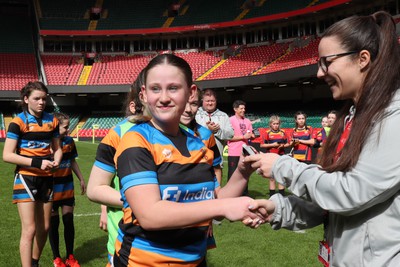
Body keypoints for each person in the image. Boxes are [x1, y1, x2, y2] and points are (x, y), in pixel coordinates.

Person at [245, 11, 400, 267]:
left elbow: (350, 193)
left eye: (326, 62)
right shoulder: (352, 116)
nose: (319, 73)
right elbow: (331, 203)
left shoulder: (393, 118)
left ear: (363, 59)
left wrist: (283, 166)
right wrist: (278, 210)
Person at [113, 54, 260, 266]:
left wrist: (242, 172)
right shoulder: (135, 141)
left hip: (195, 261)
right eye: (155, 88)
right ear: (143, 95)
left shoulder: (198, 142)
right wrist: (223, 207)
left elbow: (215, 200)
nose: (164, 97)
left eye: (173, 88)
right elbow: (151, 215)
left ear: (190, 93)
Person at [86, 72, 144, 266]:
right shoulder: (118, 133)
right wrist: (142, 203)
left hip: (174, 245)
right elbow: (99, 186)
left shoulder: (184, 132)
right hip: (124, 237)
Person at [2, 81, 62, 267]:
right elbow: (7, 155)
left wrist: (56, 162)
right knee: (29, 229)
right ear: (26, 99)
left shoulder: (52, 120)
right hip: (25, 178)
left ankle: (34, 262)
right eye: (37, 98)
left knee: (44, 227)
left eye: (44, 99)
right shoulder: (18, 122)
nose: (41, 102)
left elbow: (57, 149)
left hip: (47, 178)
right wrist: (38, 163)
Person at [49, 113, 86, 267]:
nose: (68, 129)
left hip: (67, 186)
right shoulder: (47, 142)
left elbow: (72, 161)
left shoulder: (69, 141)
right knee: (53, 223)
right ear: (56, 127)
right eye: (65, 126)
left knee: (68, 221)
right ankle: (57, 258)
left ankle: (70, 257)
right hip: (50, 189)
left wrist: (81, 179)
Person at [195, 88, 234, 185]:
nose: (210, 103)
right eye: (207, 101)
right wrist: (207, 130)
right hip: (197, 159)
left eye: (212, 101)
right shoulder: (195, 114)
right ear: (202, 101)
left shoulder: (223, 116)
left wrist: (217, 131)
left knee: (216, 189)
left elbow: (230, 134)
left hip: (217, 161)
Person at [227, 100, 254, 196]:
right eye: (241, 108)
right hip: (234, 152)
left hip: (245, 152)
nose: (243, 110)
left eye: (244, 108)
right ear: (235, 109)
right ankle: (231, 196)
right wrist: (243, 137)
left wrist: (252, 135)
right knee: (232, 176)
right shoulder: (230, 120)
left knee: (245, 174)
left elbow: (250, 134)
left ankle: (244, 195)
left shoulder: (247, 121)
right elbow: (228, 137)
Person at [259, 115, 289, 196]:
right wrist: (272, 145)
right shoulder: (267, 133)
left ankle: (282, 195)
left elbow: (288, 144)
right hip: (271, 158)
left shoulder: (283, 132)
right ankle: (272, 195)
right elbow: (262, 145)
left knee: (281, 176)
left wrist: (282, 146)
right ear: (270, 124)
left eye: (277, 124)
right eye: (274, 124)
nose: (276, 125)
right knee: (272, 177)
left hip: (281, 156)